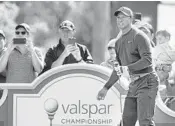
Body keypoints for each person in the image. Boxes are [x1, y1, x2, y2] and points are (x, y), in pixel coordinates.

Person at [97, 7, 159, 126]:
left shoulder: (139, 36)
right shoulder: (118, 41)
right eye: (118, 17)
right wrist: (106, 88)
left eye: (123, 17)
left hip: (147, 82)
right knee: (126, 122)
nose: (120, 20)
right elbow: (118, 69)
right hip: (133, 84)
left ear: (130, 19)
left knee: (145, 122)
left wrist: (126, 69)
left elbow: (147, 60)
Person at [153, 30, 175, 103]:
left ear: (167, 38)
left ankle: (166, 99)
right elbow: (154, 58)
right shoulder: (158, 48)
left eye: (160, 38)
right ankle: (162, 101)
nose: (158, 41)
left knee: (164, 86)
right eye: (157, 39)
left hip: (167, 70)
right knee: (161, 86)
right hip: (160, 70)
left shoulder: (170, 48)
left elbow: (171, 58)